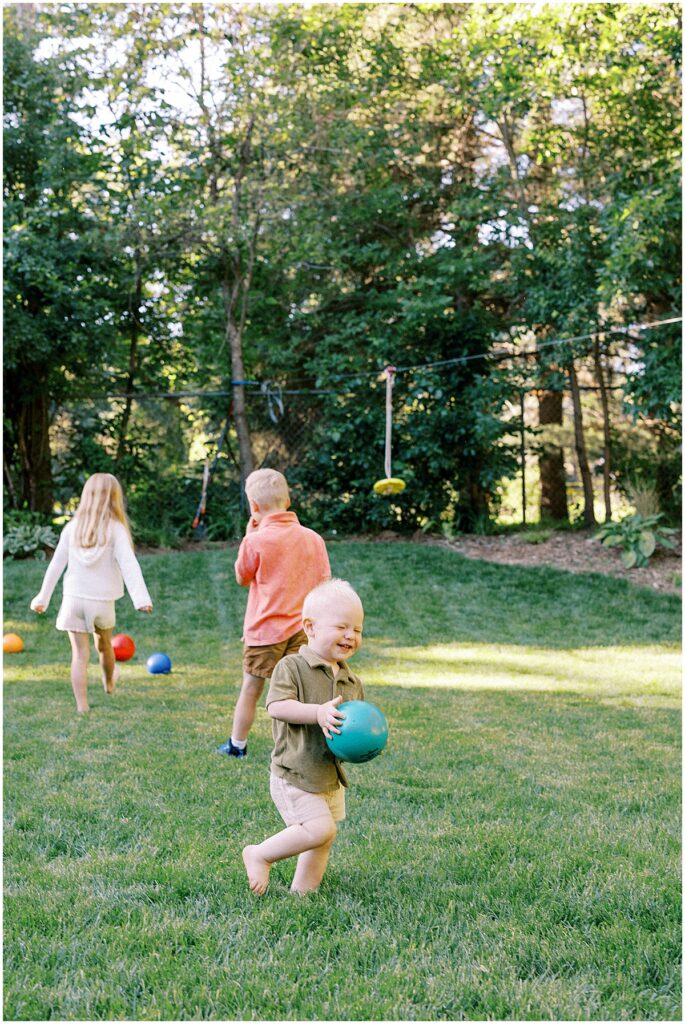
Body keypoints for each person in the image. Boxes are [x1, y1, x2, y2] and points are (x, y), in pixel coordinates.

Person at [242, 578, 364, 895]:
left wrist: (363, 744)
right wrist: (317, 713)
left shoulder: (351, 679)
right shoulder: (292, 666)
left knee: (324, 835)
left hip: (328, 774)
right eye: (342, 627)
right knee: (318, 828)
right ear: (310, 627)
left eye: (357, 629)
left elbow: (353, 725)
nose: (351, 635)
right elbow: (277, 706)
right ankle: (259, 854)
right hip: (295, 771)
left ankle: (303, 895)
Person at [217, 468, 330, 759]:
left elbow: (242, 577)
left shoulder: (255, 541)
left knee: (252, 688)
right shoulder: (313, 539)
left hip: (264, 631)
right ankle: (309, 747)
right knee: (302, 691)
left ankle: (237, 745)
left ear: (254, 507)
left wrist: (247, 537)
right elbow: (324, 584)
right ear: (288, 499)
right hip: (303, 630)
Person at [30, 473, 153, 713]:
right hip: (102, 603)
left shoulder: (71, 528)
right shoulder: (115, 529)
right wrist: (141, 599)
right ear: (114, 498)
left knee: (79, 655)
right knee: (105, 646)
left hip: (73, 601)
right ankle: (108, 683)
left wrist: (42, 597)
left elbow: (56, 565)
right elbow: (129, 564)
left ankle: (82, 706)